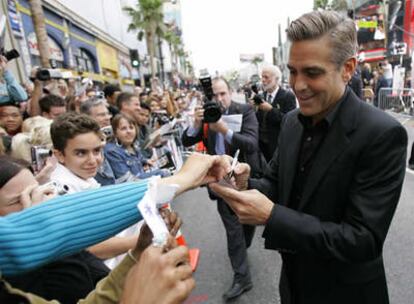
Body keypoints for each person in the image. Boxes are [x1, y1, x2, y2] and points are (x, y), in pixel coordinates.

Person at [210, 10, 407, 304]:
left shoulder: (382, 134)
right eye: (292, 71)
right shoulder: (291, 122)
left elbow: (362, 240)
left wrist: (272, 217)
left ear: (348, 69)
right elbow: (277, 185)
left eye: (312, 72)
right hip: (293, 288)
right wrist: (246, 180)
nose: (298, 85)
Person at [0, 152, 230, 303]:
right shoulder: (18, 277)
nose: (37, 206)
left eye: (35, 192)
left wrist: (138, 253)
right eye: (16, 201)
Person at [182, 77, 261, 301]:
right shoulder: (207, 115)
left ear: (230, 92)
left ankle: (242, 250)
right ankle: (242, 278)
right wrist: (197, 124)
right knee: (233, 229)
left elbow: (251, 144)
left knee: (246, 225)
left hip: (244, 178)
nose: (219, 99)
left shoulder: (244, 111)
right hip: (220, 182)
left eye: (223, 94)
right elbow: (186, 140)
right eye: (214, 95)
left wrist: (224, 129)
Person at [105, 113, 168, 181]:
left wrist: (146, 162)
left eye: (131, 127)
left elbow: (140, 160)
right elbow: (127, 180)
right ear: (115, 133)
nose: (128, 131)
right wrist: (159, 173)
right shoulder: (111, 151)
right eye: (123, 128)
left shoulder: (134, 147)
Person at [254, 65, 296, 162]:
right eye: (262, 77)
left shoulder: (287, 96)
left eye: (266, 77)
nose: (263, 80)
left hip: (278, 143)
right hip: (262, 143)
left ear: (276, 79)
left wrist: (270, 110)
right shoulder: (261, 96)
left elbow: (290, 121)